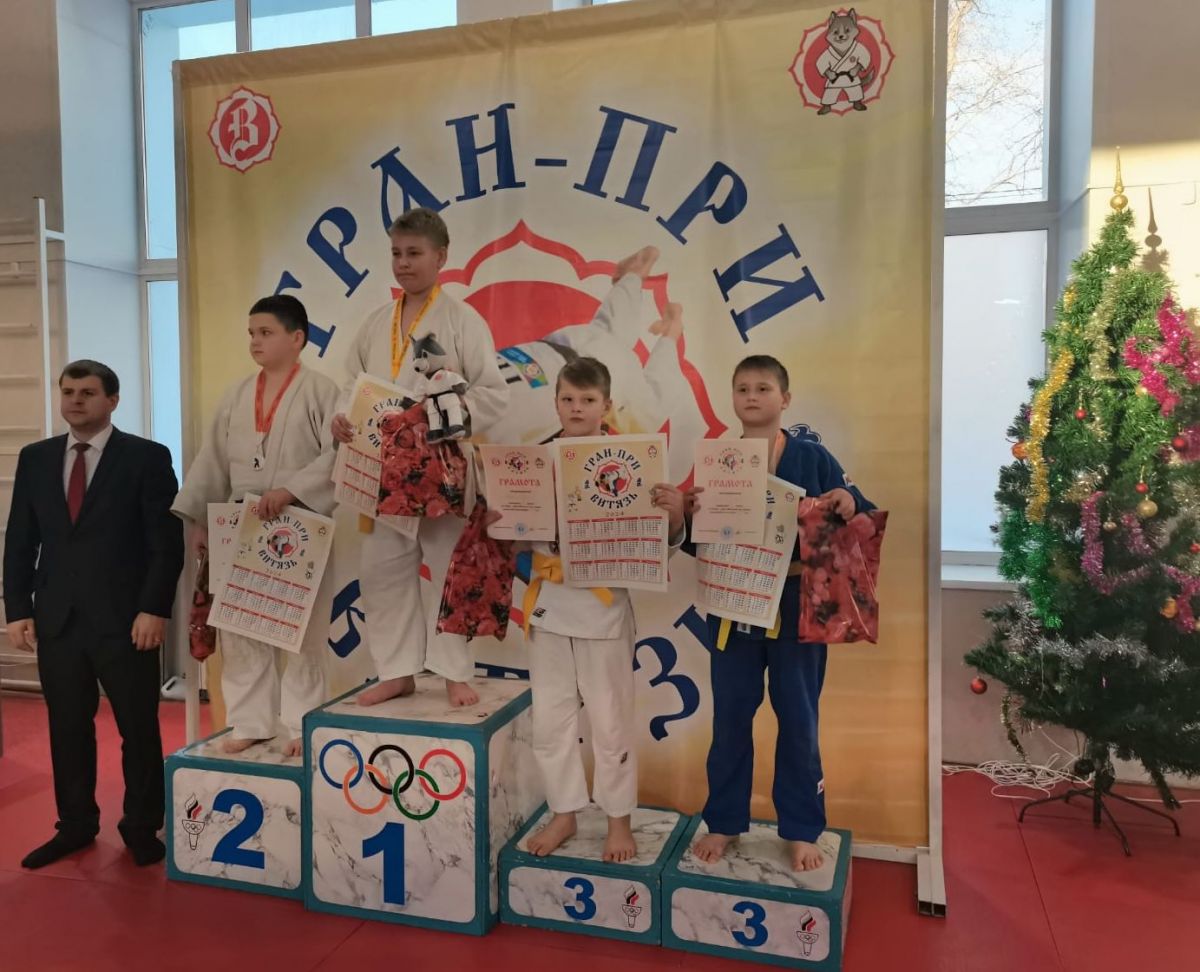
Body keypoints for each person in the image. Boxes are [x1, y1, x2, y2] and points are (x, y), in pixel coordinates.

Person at [687, 355, 873, 871]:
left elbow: (858, 508)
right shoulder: (719, 460)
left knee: (799, 719)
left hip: (796, 604)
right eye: (743, 388)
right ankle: (723, 821)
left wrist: (845, 499)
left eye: (763, 388)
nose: (752, 396)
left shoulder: (812, 456)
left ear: (784, 399)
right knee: (730, 718)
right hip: (732, 605)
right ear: (732, 397)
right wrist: (687, 514)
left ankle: (802, 828)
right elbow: (698, 542)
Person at [3, 360, 184, 868]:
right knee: (67, 727)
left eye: (87, 392)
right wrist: (17, 608)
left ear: (112, 400)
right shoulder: (37, 458)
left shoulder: (146, 458)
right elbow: (21, 540)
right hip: (57, 618)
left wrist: (154, 608)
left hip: (126, 620)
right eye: (68, 392)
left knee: (138, 728)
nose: (75, 401)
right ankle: (75, 825)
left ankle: (141, 826)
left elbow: (164, 544)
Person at [505, 356, 686, 862]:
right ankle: (564, 813)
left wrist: (673, 518)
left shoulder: (633, 462)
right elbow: (514, 543)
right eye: (567, 399)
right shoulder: (533, 462)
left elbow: (659, 544)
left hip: (603, 610)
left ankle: (618, 820)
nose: (577, 408)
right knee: (551, 722)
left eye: (587, 400)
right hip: (548, 607)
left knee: (610, 723)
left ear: (607, 405)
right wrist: (505, 523)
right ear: (555, 402)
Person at [330, 207, 508, 707]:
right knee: (383, 572)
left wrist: (442, 415)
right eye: (396, 253)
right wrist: (342, 416)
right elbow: (350, 385)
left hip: (439, 470)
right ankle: (397, 671)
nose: (403, 263)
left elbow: (494, 394)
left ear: (441, 257)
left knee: (450, 568)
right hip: (381, 472)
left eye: (414, 253)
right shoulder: (374, 324)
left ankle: (454, 672)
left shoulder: (462, 321)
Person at [172, 295, 339, 757]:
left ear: (297, 338)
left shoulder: (322, 391)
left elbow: (339, 454)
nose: (255, 342)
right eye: (251, 333)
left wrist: (292, 490)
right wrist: (203, 519)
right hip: (242, 521)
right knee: (242, 628)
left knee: (302, 631)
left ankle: (302, 723)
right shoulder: (237, 394)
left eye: (266, 333)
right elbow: (212, 459)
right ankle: (252, 721)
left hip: (300, 521)